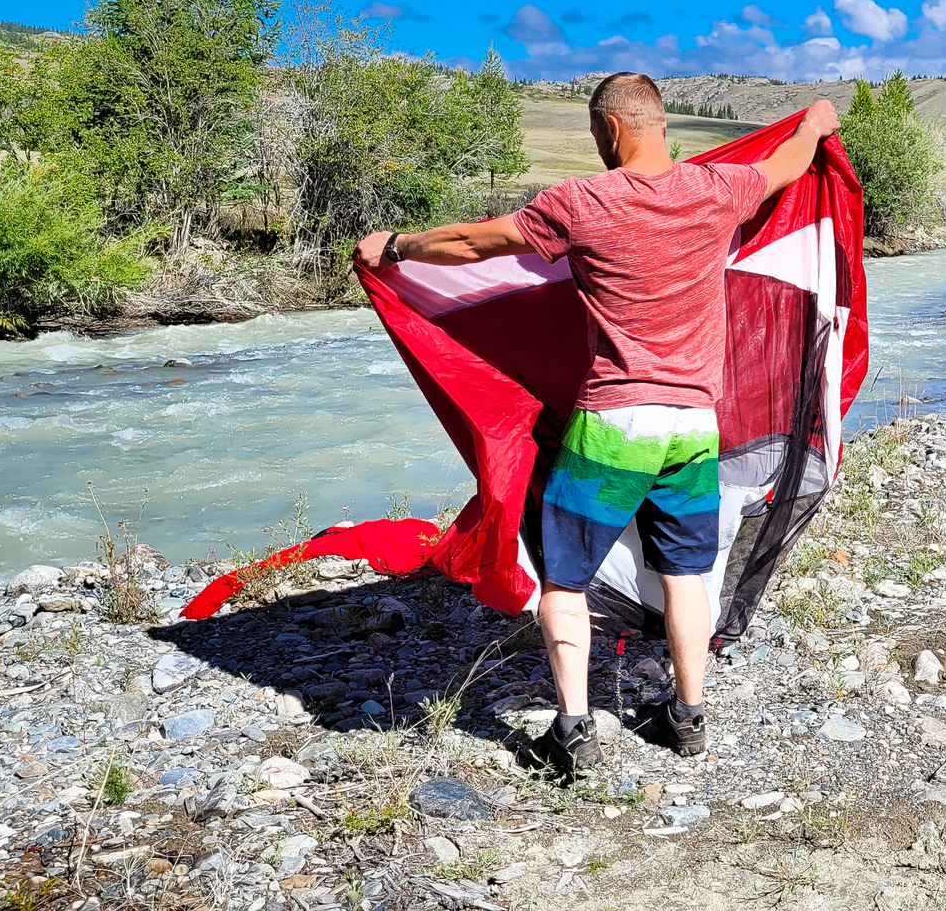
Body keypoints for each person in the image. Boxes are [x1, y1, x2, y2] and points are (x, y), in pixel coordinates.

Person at [355, 72, 838, 777]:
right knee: (685, 572)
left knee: (565, 579)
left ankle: (573, 730)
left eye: (593, 133)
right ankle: (688, 716)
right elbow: (786, 166)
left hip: (616, 420)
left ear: (610, 128)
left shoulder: (583, 202)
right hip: (693, 423)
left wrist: (394, 246)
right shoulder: (718, 192)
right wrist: (815, 124)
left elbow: (472, 246)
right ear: (661, 122)